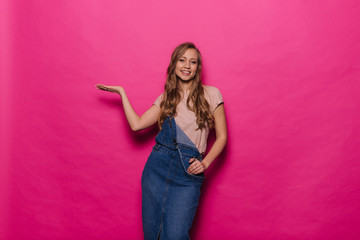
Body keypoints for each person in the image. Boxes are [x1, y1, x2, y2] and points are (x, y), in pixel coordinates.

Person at [95, 42, 227, 240]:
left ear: (197, 67)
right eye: (182, 60)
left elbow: (222, 136)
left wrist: (205, 162)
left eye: (192, 62)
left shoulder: (212, 94)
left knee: (176, 234)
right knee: (152, 233)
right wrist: (122, 93)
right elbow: (137, 125)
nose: (187, 66)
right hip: (157, 168)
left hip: (188, 171)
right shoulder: (166, 99)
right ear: (174, 65)